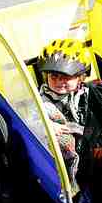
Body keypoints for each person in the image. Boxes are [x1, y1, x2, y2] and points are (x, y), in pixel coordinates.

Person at [37, 38, 91, 192]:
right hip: (67, 143)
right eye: (53, 76)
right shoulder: (43, 99)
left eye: (66, 77)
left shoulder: (85, 92)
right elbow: (31, 118)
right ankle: (72, 187)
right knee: (64, 141)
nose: (59, 82)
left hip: (87, 135)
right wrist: (48, 125)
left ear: (80, 77)